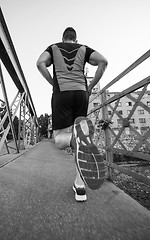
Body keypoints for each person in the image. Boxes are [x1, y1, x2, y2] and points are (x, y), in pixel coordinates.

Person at [36, 27, 108, 202]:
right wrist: (90, 87)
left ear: (63, 38)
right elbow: (103, 62)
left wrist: (52, 81)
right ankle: (80, 186)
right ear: (75, 39)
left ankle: (75, 139)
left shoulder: (53, 47)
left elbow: (40, 63)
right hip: (81, 94)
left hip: (62, 93)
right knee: (80, 137)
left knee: (61, 139)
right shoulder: (83, 48)